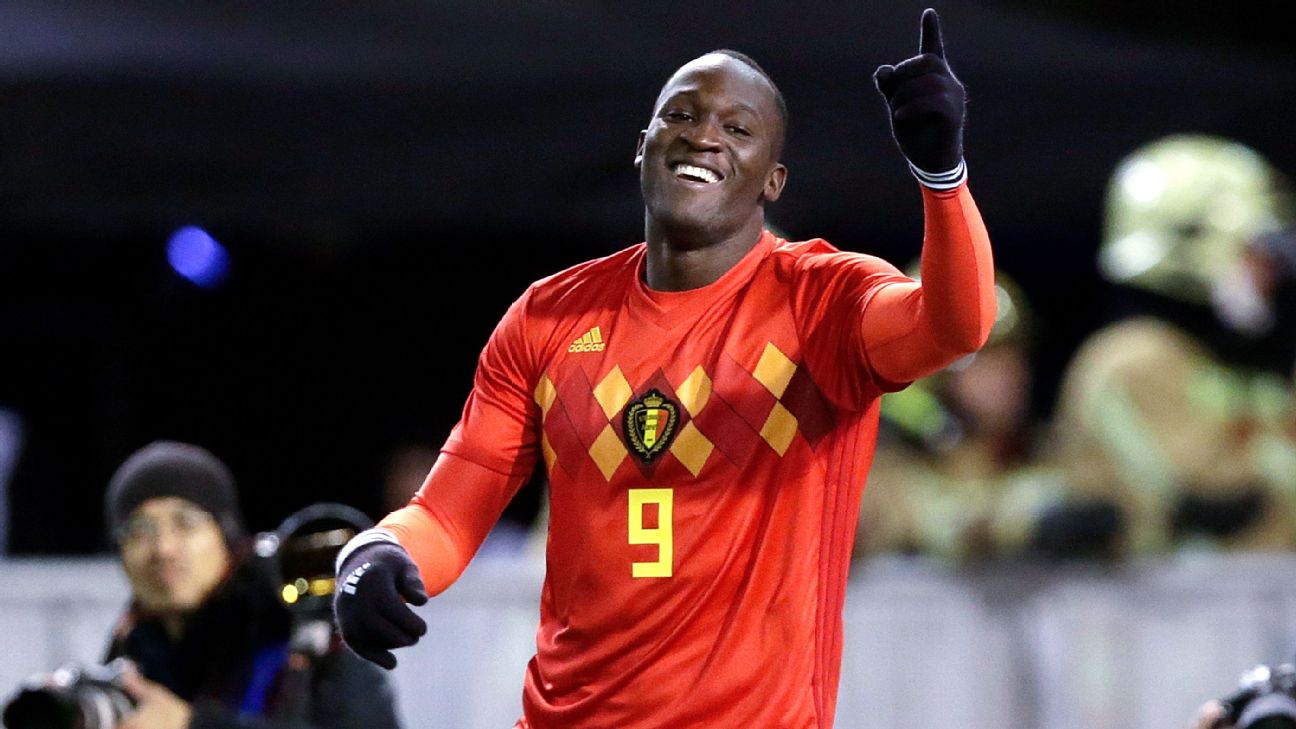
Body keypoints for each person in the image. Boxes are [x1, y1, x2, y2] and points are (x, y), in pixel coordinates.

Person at [334, 9, 996, 728]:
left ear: (773, 181)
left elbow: (957, 325)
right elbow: (446, 514)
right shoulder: (547, 318)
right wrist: (375, 552)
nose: (703, 134)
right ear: (642, 145)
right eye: (681, 115)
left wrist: (941, 177)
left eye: (737, 128)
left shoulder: (823, 302)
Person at [1051, 134, 1296, 558]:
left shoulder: (1205, 356)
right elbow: (1217, 500)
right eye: (1255, 250)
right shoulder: (1137, 357)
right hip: (1160, 596)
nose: (1272, 272)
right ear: (1197, 246)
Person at [102, 440, 402, 729]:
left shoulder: (301, 629)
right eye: (139, 530)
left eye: (185, 523)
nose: (163, 549)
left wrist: (194, 725)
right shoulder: (135, 650)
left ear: (226, 538)